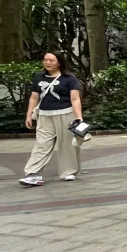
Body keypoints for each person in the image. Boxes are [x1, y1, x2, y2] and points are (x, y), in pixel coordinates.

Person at [20, 52, 84, 186]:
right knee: (42, 144)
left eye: (51, 60)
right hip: (44, 115)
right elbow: (34, 97)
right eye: (45, 60)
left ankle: (68, 172)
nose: (47, 63)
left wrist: (78, 118)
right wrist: (29, 114)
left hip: (66, 114)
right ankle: (32, 173)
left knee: (67, 145)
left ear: (59, 63)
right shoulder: (39, 77)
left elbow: (75, 99)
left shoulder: (69, 78)